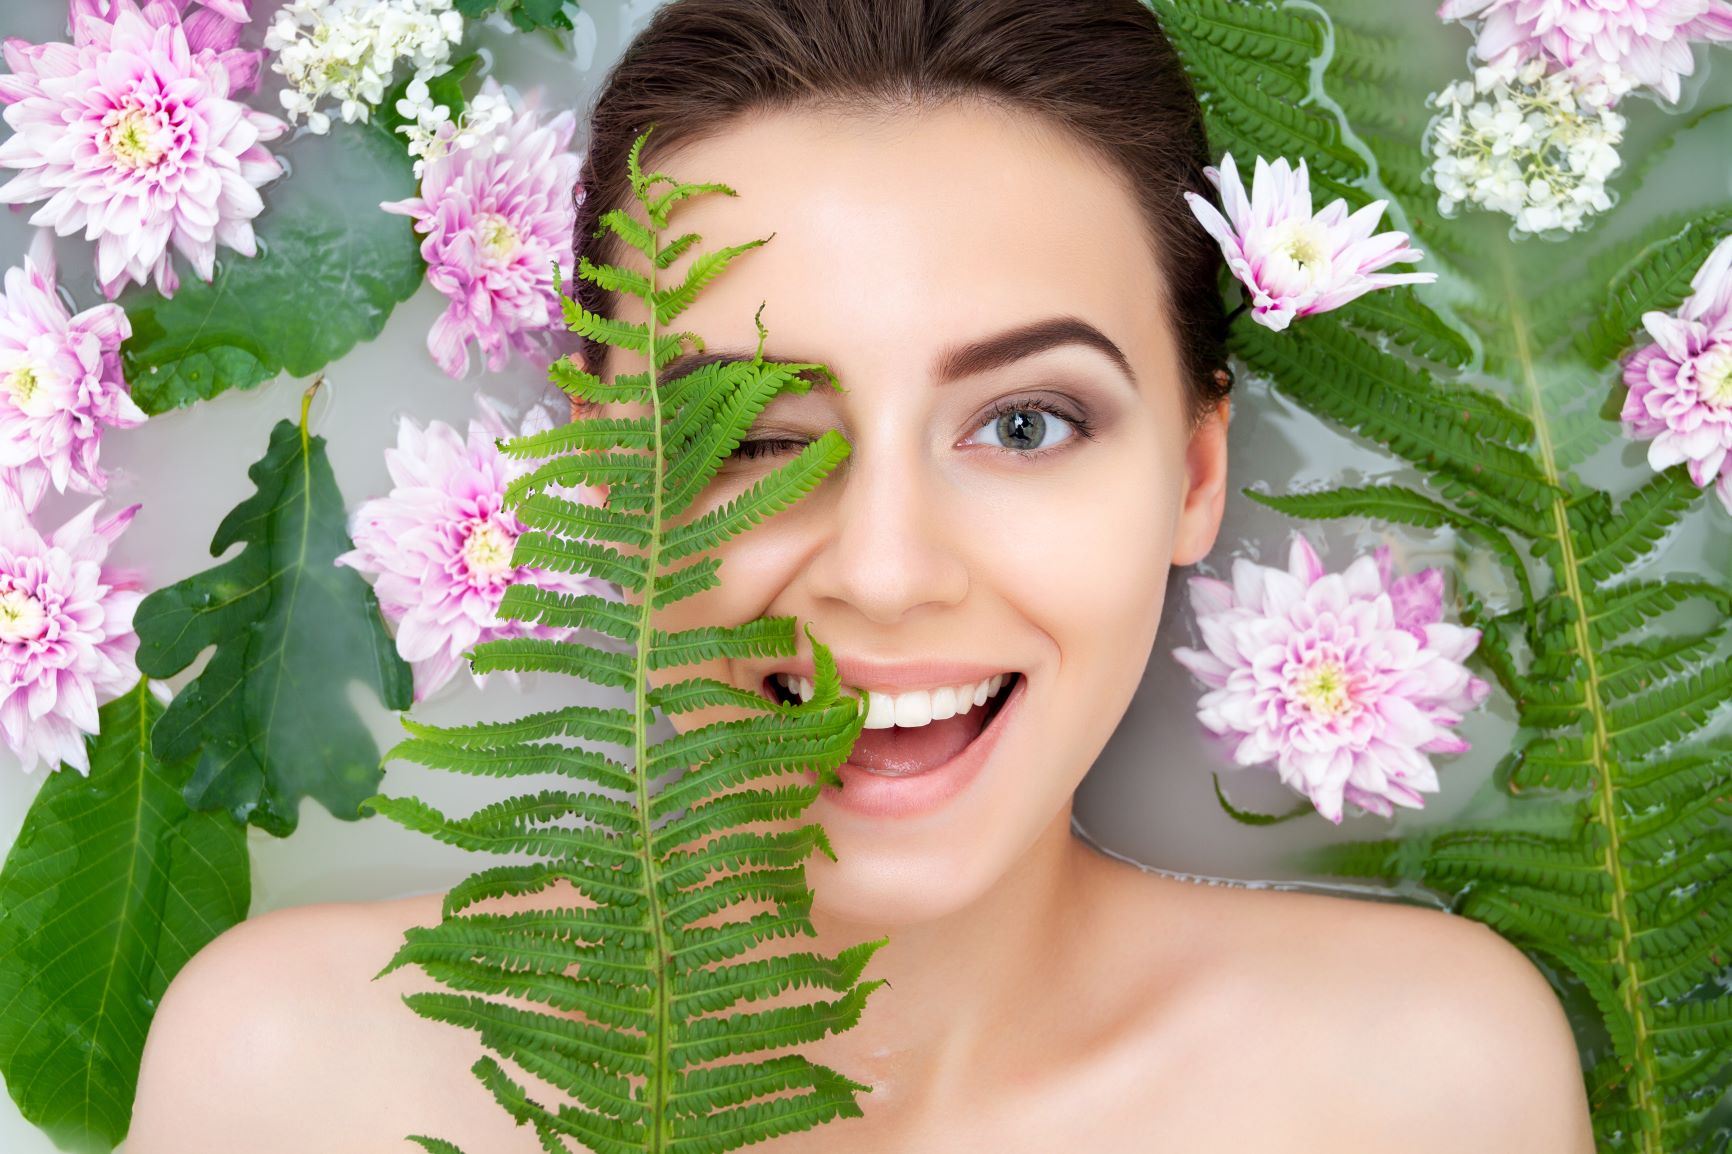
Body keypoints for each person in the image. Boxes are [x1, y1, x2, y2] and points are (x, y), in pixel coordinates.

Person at [126, 1, 1597, 1150]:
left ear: (1197, 470)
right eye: (753, 435)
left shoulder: (1422, 1086)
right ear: (601, 476)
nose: (885, 576)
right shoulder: (294, 1080)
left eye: (1025, 424)